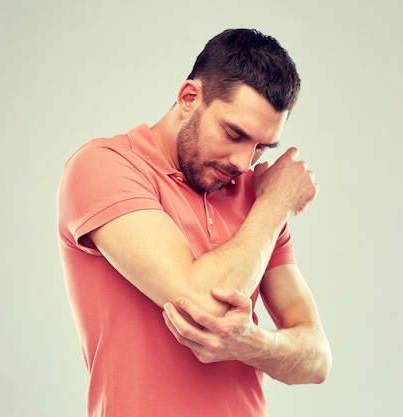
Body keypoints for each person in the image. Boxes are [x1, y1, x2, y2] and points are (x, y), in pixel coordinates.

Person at [57, 28, 332, 417]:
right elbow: (200, 306)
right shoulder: (105, 166)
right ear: (189, 98)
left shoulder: (257, 201)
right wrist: (275, 207)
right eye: (234, 133)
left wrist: (252, 343)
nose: (243, 162)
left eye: (259, 148)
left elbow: (317, 358)